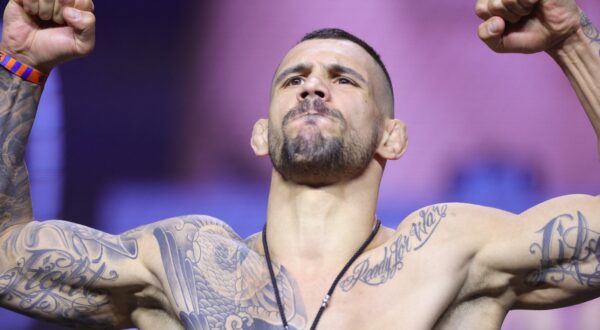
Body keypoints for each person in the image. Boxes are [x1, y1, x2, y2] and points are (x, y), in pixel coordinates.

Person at [0, 0, 599, 329]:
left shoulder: (450, 256)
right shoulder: (182, 265)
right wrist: (20, 64)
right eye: (294, 78)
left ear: (392, 137)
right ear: (261, 133)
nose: (313, 87)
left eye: (343, 79)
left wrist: (571, 42)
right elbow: (7, 260)